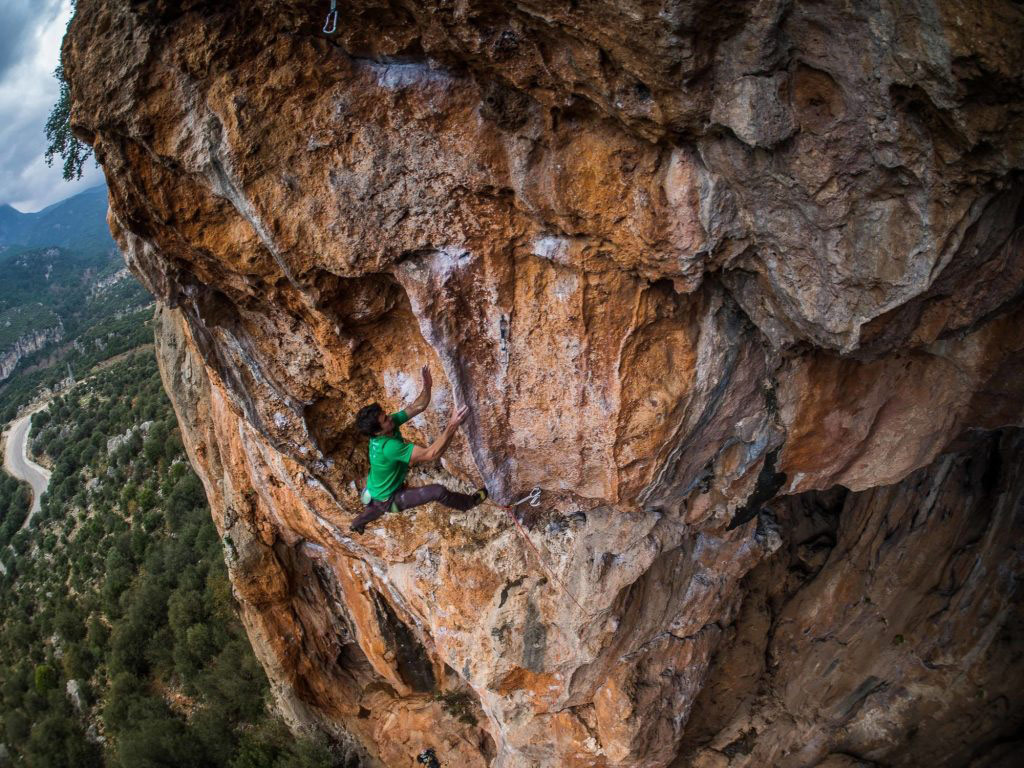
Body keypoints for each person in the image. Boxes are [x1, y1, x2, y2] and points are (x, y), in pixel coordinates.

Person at [350, 365, 487, 534]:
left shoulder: (385, 428)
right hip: (389, 497)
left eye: (385, 415)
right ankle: (468, 503)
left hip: (376, 487)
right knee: (438, 491)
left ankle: (357, 523)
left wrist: (427, 386)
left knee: (372, 510)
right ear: (378, 432)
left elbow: (417, 406)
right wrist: (453, 425)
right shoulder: (388, 447)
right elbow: (431, 454)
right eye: (385, 419)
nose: (390, 418)